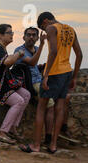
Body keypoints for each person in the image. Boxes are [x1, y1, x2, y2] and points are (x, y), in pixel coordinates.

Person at [20, 12, 83, 154]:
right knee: (60, 107)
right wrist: (74, 77)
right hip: (67, 72)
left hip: (54, 73)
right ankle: (53, 145)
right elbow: (79, 54)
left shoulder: (51, 28)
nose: (44, 31)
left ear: (46, 21)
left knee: (41, 107)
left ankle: (36, 145)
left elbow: (53, 51)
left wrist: (46, 74)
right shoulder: (70, 29)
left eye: (43, 27)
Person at [14, 27, 55, 147]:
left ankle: (50, 135)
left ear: (37, 38)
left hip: (39, 79)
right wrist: (42, 45)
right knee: (50, 105)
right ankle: (47, 137)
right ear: (24, 37)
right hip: (30, 82)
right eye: (28, 35)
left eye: (33, 35)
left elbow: (34, 65)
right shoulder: (19, 50)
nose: (31, 37)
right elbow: (31, 62)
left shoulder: (36, 49)